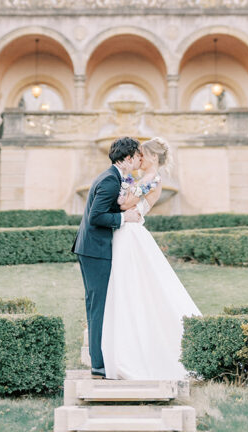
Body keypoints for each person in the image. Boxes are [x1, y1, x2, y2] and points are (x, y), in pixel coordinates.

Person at [101, 136, 201, 380]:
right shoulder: (143, 179)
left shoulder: (152, 179)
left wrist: (122, 187)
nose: (139, 159)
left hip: (131, 234)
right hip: (128, 233)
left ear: (154, 157)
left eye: (143, 155)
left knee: (133, 287)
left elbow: (125, 204)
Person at [72, 136, 143, 379]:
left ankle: (101, 358)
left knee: (98, 304)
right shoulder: (110, 181)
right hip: (95, 250)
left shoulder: (112, 177)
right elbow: (96, 217)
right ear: (126, 158)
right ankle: (98, 364)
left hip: (94, 249)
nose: (137, 161)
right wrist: (125, 218)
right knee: (98, 305)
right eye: (135, 156)